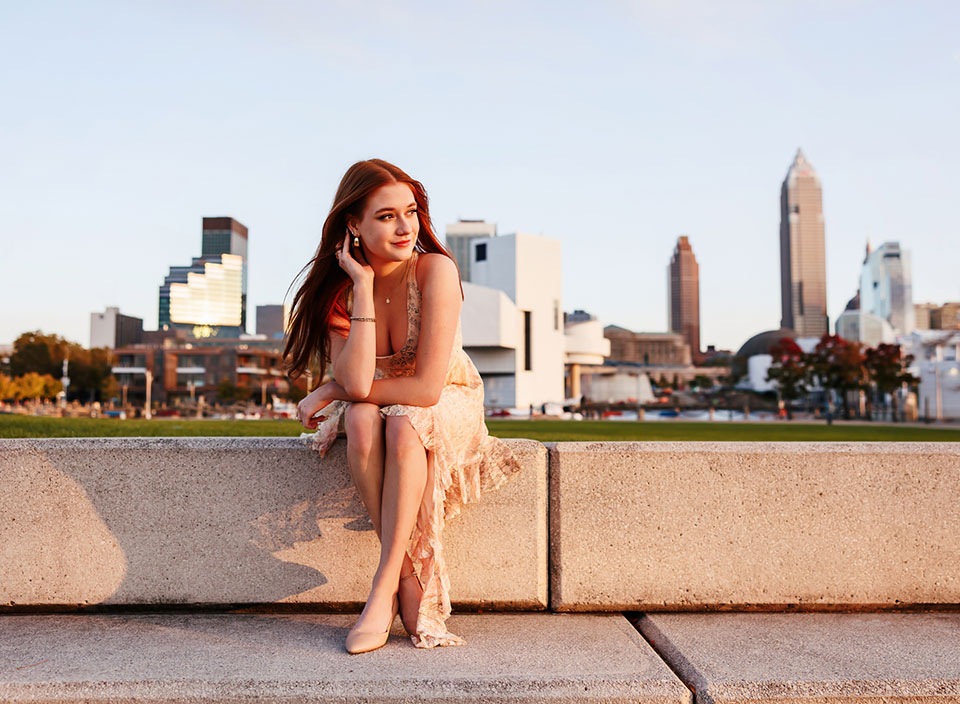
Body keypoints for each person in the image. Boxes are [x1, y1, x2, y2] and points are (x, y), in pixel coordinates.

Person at [283, 158, 523, 654]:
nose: (404, 226)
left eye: (409, 212)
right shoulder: (344, 291)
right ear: (354, 224)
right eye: (386, 216)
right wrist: (364, 289)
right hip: (379, 402)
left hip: (446, 398)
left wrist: (330, 391)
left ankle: (384, 586)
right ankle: (407, 578)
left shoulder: (436, 269)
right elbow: (355, 381)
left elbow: (426, 389)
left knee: (402, 422)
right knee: (364, 417)